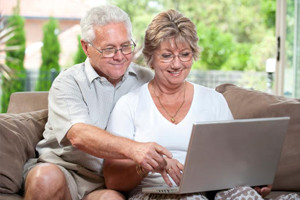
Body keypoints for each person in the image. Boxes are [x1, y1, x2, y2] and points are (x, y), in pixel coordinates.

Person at [103, 9, 278, 200]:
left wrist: (254, 180)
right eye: (167, 55)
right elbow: (112, 180)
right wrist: (145, 165)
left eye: (185, 54)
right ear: (151, 58)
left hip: (210, 191)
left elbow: (232, 162)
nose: (177, 64)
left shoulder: (214, 101)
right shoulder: (129, 105)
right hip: (152, 193)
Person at [22, 5, 173, 200]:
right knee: (45, 179)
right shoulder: (68, 82)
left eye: (125, 46)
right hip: (64, 170)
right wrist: (134, 149)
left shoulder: (146, 80)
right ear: (86, 47)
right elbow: (79, 135)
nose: (119, 56)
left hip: (110, 181)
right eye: (109, 49)